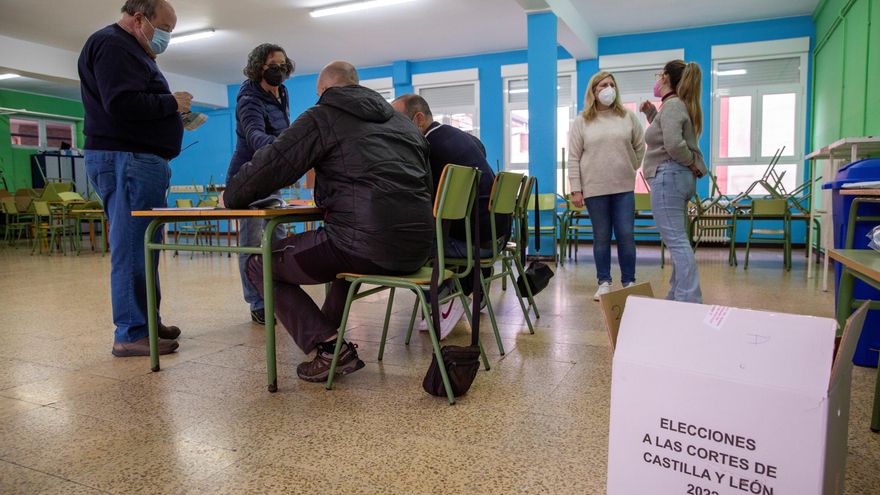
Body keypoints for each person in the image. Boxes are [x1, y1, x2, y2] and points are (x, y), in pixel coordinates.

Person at [222, 61, 434, 383]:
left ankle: (327, 346)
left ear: (324, 91)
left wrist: (232, 194)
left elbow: (274, 163)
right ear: (357, 85)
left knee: (259, 264)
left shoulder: (323, 115)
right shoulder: (403, 125)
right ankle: (326, 335)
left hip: (365, 245)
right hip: (418, 248)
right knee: (341, 265)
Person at [79, 0, 192, 357]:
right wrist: (172, 104)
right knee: (131, 246)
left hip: (137, 159)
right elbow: (123, 103)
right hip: (125, 159)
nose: (167, 37)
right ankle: (130, 332)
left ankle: (147, 321)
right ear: (140, 18)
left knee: (145, 246)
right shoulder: (113, 44)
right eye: (166, 28)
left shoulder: (132, 51)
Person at [391, 94, 509, 339]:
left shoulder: (430, 148)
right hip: (495, 238)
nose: (395, 130)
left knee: (399, 247)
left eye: (398, 123)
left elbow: (422, 205)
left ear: (419, 119)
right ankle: (459, 292)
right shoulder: (455, 136)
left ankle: (445, 298)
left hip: (475, 243)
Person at [226, 43, 295, 325]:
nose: (278, 69)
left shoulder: (282, 92)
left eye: (282, 63)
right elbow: (255, 136)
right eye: (271, 65)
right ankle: (257, 302)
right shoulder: (249, 99)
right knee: (253, 242)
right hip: (247, 177)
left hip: (271, 174)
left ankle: (276, 295)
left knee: (277, 240)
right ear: (258, 68)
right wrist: (289, 148)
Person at [568, 71, 646, 301]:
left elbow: (640, 146)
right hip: (594, 189)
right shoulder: (582, 121)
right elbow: (573, 157)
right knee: (601, 236)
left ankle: (629, 282)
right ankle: (604, 282)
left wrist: (631, 165)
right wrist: (576, 189)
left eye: (612, 84)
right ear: (594, 91)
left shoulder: (627, 117)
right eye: (603, 85)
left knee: (625, 234)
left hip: (623, 187)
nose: (609, 88)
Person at [640, 60, 707, 303]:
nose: (657, 80)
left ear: (666, 78)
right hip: (676, 178)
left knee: (677, 242)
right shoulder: (675, 106)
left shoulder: (673, 105)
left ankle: (688, 299)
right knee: (679, 239)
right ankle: (677, 294)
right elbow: (665, 133)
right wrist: (651, 114)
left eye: (660, 75)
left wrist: (690, 162)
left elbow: (673, 145)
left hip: (668, 176)